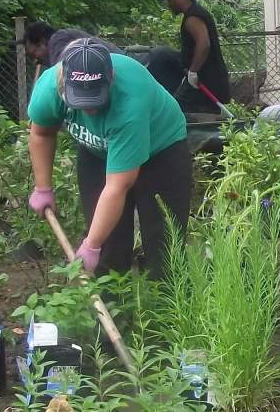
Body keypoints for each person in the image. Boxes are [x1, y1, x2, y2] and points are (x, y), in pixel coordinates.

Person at [26, 33, 191, 279]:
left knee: (163, 244)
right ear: (64, 88)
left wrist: (90, 245)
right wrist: (43, 187)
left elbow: (117, 187)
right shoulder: (50, 87)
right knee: (108, 247)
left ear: (110, 78)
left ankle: (168, 315)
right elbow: (41, 134)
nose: (90, 109)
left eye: (96, 98)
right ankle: (114, 312)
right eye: (81, 101)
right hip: (98, 153)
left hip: (161, 152)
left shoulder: (130, 100)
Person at [161, 0, 232, 105]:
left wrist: (193, 72)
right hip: (203, 81)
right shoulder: (196, 13)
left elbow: (204, 44)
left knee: (179, 110)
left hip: (205, 82)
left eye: (169, 0)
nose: (169, 4)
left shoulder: (193, 17)